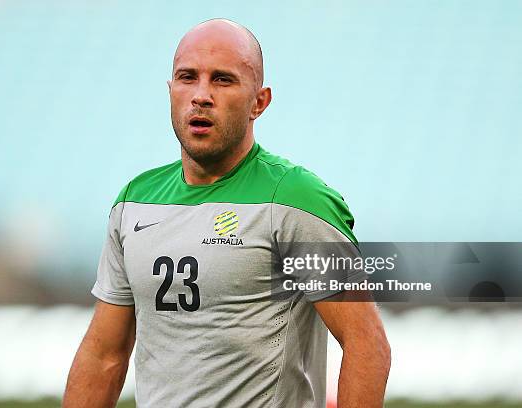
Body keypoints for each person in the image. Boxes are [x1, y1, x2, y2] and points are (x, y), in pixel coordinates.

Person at [63, 18, 390, 408]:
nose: (201, 95)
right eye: (187, 77)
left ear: (259, 102)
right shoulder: (134, 201)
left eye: (222, 80)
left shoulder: (296, 199)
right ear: (171, 90)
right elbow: (104, 355)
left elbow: (366, 345)